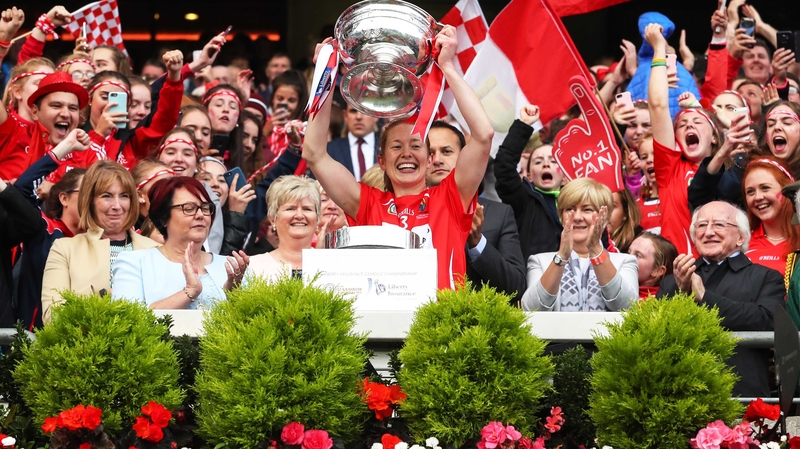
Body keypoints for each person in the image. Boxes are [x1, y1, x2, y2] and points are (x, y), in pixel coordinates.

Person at [303, 26, 494, 290]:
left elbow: (483, 135)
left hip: (441, 325)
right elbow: (314, 154)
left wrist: (447, 66)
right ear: (381, 161)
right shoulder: (368, 203)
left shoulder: (451, 198)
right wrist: (326, 73)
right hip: (383, 327)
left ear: (429, 159)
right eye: (396, 147)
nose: (406, 153)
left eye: (415, 145)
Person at [657, 201, 785, 397]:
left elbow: (768, 320)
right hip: (683, 395)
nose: (708, 232)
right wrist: (683, 295)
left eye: (719, 224)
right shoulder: (673, 281)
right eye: (701, 225)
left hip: (741, 395)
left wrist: (704, 297)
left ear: (741, 237)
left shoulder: (766, 277)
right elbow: (658, 333)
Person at [41, 161, 159, 323]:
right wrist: (102, 300)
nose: (117, 206)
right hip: (83, 346)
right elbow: (52, 317)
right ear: (89, 201)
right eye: (106, 196)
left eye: (124, 196)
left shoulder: (154, 249)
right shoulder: (65, 249)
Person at [645, 22, 724, 255]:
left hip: (722, 278)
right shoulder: (670, 169)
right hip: (677, 277)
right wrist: (660, 50)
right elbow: (658, 106)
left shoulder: (731, 174)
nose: (689, 124)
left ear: (714, 138)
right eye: (682, 124)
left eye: (698, 121)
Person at [112, 177, 249, 309]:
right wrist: (189, 292)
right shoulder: (134, 263)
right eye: (189, 208)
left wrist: (234, 295)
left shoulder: (233, 268)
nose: (200, 215)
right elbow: (128, 322)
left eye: (205, 208)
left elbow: (251, 325)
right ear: (163, 218)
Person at [427, 120, 526, 301]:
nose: (437, 159)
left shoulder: (498, 214)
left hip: (476, 326)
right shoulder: (402, 213)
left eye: (446, 151)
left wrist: (477, 243)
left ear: (465, 157)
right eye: (429, 153)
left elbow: (516, 287)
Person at [521, 178, 638, 312]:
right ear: (561, 216)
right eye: (569, 209)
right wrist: (561, 257)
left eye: (587, 209)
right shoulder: (539, 261)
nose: (577, 217)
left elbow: (627, 307)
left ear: (604, 217)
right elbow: (531, 310)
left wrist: (596, 251)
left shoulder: (625, 261)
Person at [13, 129, 90, 329]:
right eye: (86, 193)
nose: (93, 201)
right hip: (32, 342)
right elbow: (21, 189)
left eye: (98, 194)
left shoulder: (99, 239)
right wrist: (65, 147)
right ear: (64, 198)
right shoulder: (43, 228)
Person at [494, 105, 564, 261]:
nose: (546, 164)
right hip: (535, 280)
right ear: (529, 176)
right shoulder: (524, 202)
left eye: (553, 161)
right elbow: (503, 168)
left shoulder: (578, 202)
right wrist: (523, 125)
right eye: (538, 162)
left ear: (565, 175)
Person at [246, 175, 319, 281]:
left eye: (307, 209)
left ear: (317, 218)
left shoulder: (333, 266)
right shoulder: (253, 266)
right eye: (291, 209)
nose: (299, 215)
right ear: (273, 219)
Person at [741, 157, 800, 275]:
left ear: (787, 190)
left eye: (765, 188)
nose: (758, 197)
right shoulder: (741, 242)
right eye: (750, 192)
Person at [196, 156, 254, 254]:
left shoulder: (237, 220)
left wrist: (236, 215)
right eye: (206, 178)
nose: (215, 184)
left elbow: (223, 264)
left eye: (222, 180)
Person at [327, 104, 379, 181]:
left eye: (364, 111)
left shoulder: (388, 148)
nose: (358, 116)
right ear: (345, 115)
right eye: (353, 111)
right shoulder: (330, 150)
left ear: (375, 115)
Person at [628, 232, 676, 298]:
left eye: (638, 256)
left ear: (657, 270)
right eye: (629, 252)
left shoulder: (656, 302)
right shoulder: (621, 288)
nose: (628, 258)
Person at [131, 160, 174, 227]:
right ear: (139, 196)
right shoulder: (126, 232)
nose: (170, 190)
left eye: (174, 185)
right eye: (160, 186)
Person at [608, 187, 642, 253]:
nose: (603, 213)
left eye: (611, 207)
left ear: (626, 212)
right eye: (597, 206)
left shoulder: (639, 245)